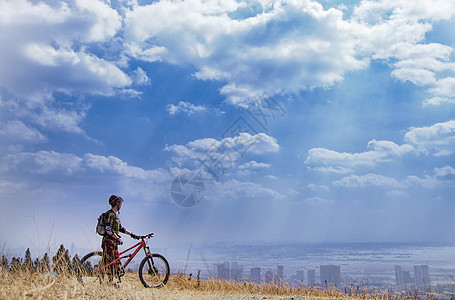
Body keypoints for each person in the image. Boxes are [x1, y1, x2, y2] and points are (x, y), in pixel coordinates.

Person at [101, 195, 137, 279]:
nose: (121, 205)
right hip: (108, 241)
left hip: (113, 242)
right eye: (120, 203)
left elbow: (120, 228)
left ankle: (112, 282)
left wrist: (131, 234)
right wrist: (117, 238)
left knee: (114, 263)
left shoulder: (115, 215)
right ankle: (109, 282)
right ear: (116, 203)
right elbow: (108, 229)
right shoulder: (110, 214)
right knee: (111, 263)